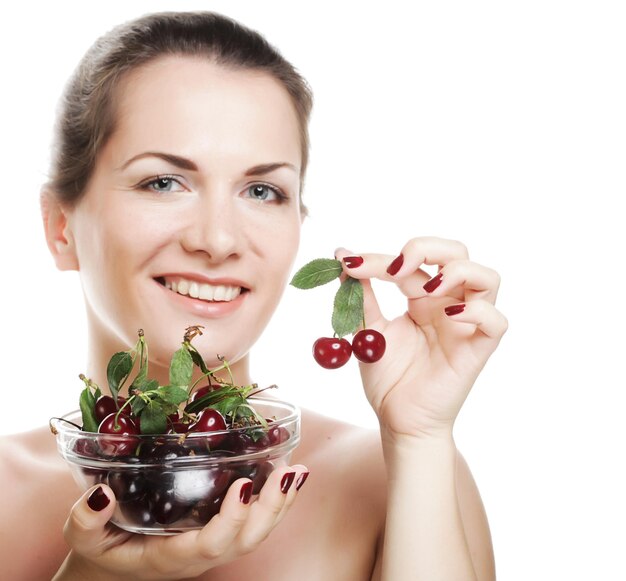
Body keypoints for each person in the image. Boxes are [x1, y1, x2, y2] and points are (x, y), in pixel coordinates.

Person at [0, 10, 507, 581]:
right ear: (60, 228)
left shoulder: (387, 477)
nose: (217, 240)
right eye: (163, 182)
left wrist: (419, 438)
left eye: (262, 190)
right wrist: (103, 572)